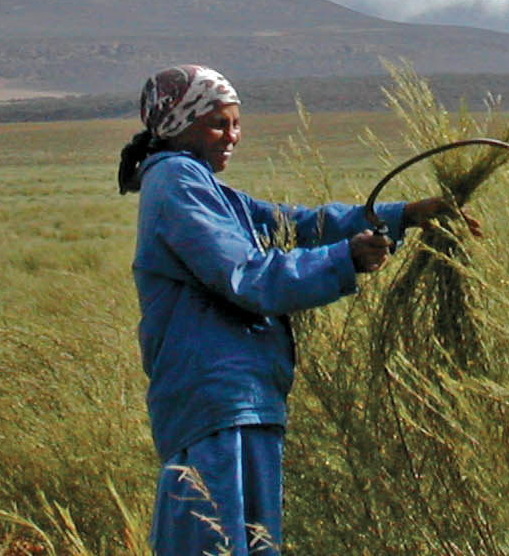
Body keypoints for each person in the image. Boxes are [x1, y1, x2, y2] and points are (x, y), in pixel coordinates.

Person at [117, 64, 477, 555]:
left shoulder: (200, 185)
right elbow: (247, 277)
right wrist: (344, 259)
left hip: (236, 400)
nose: (233, 136)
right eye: (219, 123)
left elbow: (293, 225)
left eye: (237, 123)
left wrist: (403, 215)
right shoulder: (179, 182)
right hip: (216, 404)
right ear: (181, 124)